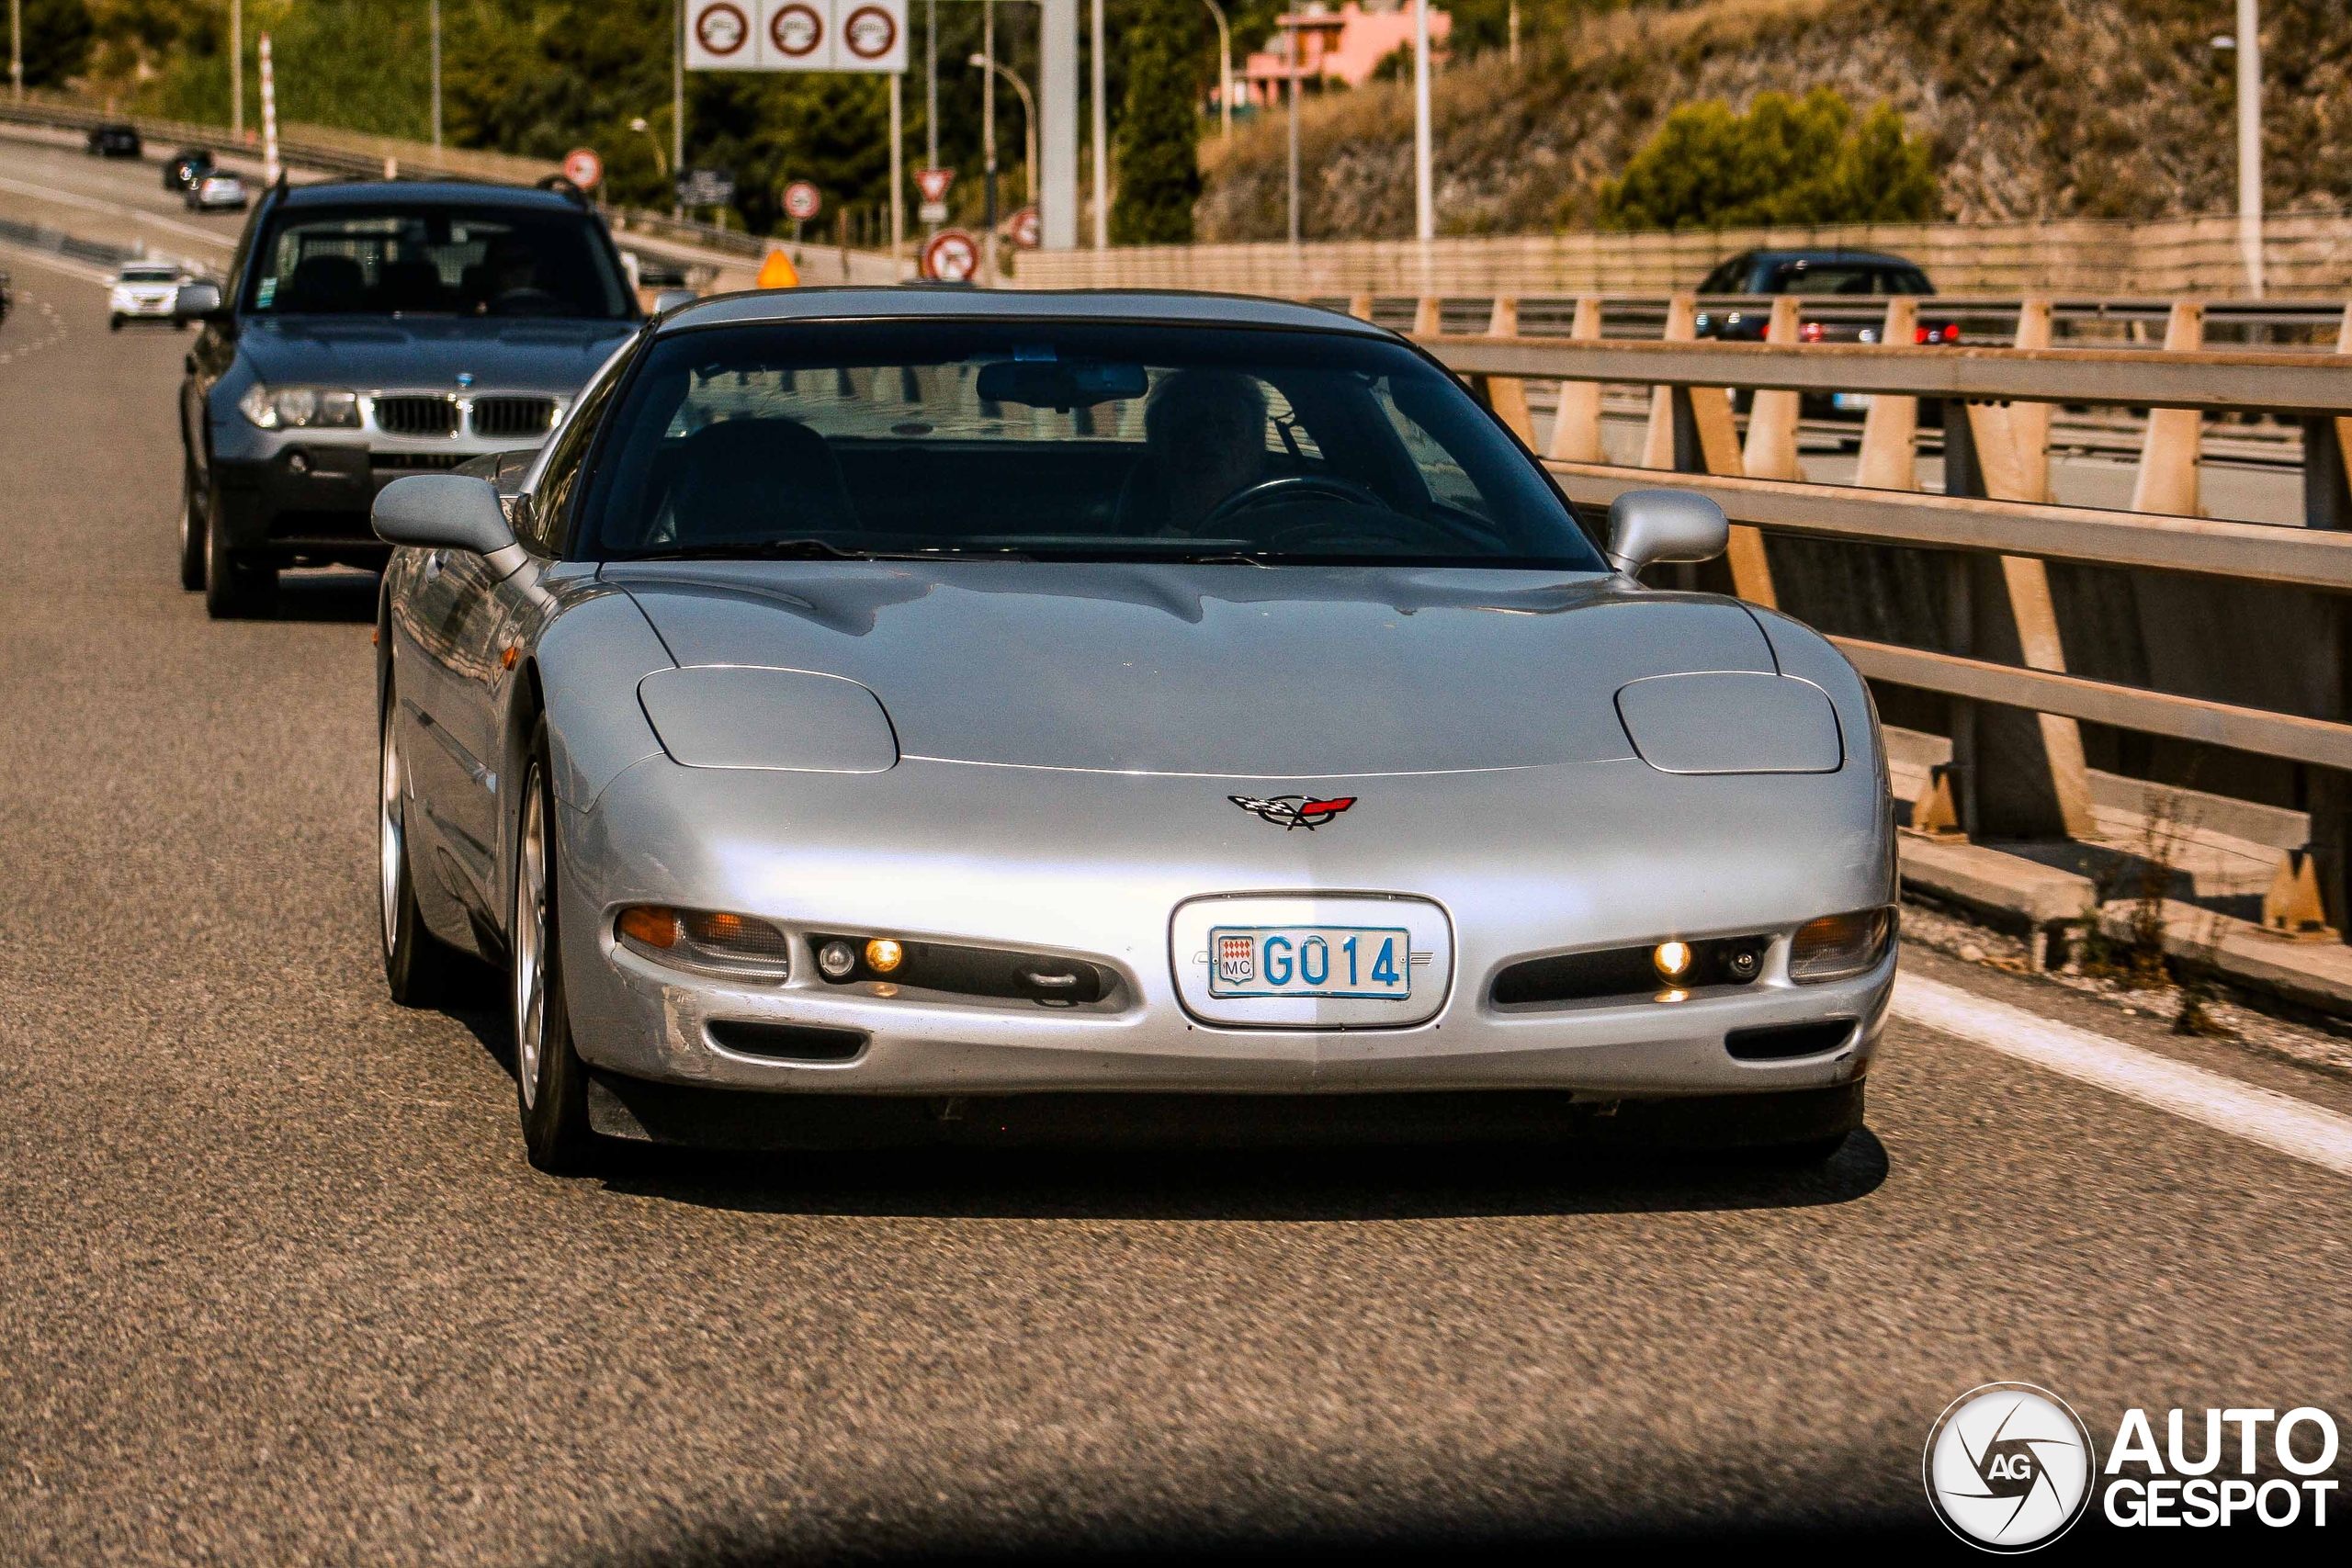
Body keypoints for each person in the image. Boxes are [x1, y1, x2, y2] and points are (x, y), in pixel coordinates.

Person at [1139, 369, 1271, 536]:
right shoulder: (1138, 548)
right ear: (1161, 448)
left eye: (1228, 428)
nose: (1209, 439)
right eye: (1192, 427)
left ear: (1257, 450)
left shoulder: (1284, 537)